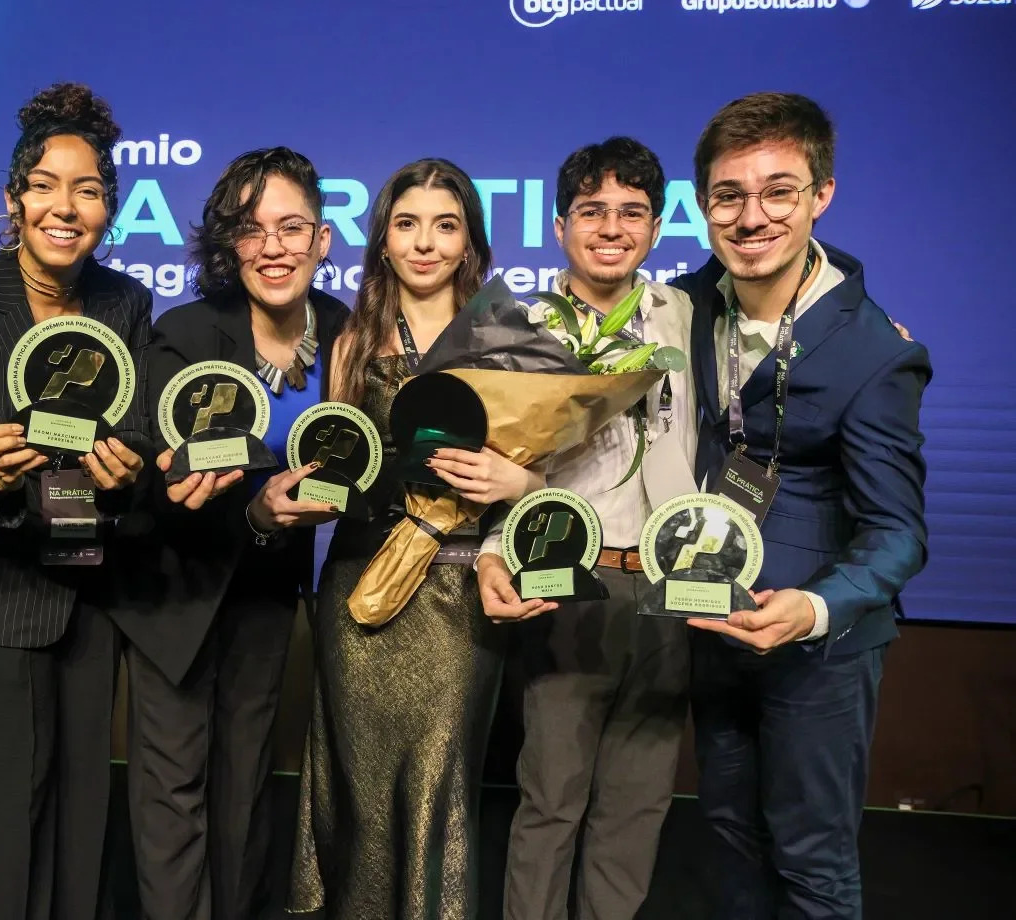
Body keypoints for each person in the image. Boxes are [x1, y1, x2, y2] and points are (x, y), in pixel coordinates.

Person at [675, 92, 929, 920]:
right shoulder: (684, 305)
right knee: (726, 838)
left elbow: (899, 536)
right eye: (728, 196)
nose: (751, 217)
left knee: (813, 860)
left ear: (822, 195)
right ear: (703, 202)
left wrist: (815, 610)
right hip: (712, 622)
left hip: (819, 649)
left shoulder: (874, 351)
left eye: (778, 191)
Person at [0, 83, 152, 919]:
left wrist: (127, 476)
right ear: (14, 200)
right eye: (46, 186)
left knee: (77, 823)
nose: (65, 206)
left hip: (89, 605)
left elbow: (130, 437)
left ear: (109, 210)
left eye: (88, 191)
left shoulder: (125, 302)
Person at [289, 158, 539, 920]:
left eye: (445, 224)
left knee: (440, 784)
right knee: (360, 791)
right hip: (360, 589)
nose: (425, 243)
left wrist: (515, 485)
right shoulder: (352, 337)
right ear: (384, 241)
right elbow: (333, 464)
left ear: (469, 242)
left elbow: (547, 470)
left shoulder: (507, 333)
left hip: (463, 589)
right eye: (407, 224)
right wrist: (314, 485)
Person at [475, 137, 697, 920]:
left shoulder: (684, 310)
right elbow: (499, 461)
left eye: (632, 211)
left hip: (674, 585)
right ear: (561, 224)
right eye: (593, 210)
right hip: (570, 580)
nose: (612, 227)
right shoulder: (520, 327)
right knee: (552, 800)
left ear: (659, 225)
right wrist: (498, 551)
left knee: (637, 806)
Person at [127, 147, 349, 920]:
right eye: (252, 231)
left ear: (324, 240)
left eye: (293, 228)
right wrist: (249, 511)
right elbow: (157, 478)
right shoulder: (185, 333)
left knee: (248, 790)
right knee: (175, 792)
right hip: (177, 589)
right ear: (230, 246)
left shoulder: (349, 335)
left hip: (266, 592)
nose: (274, 247)